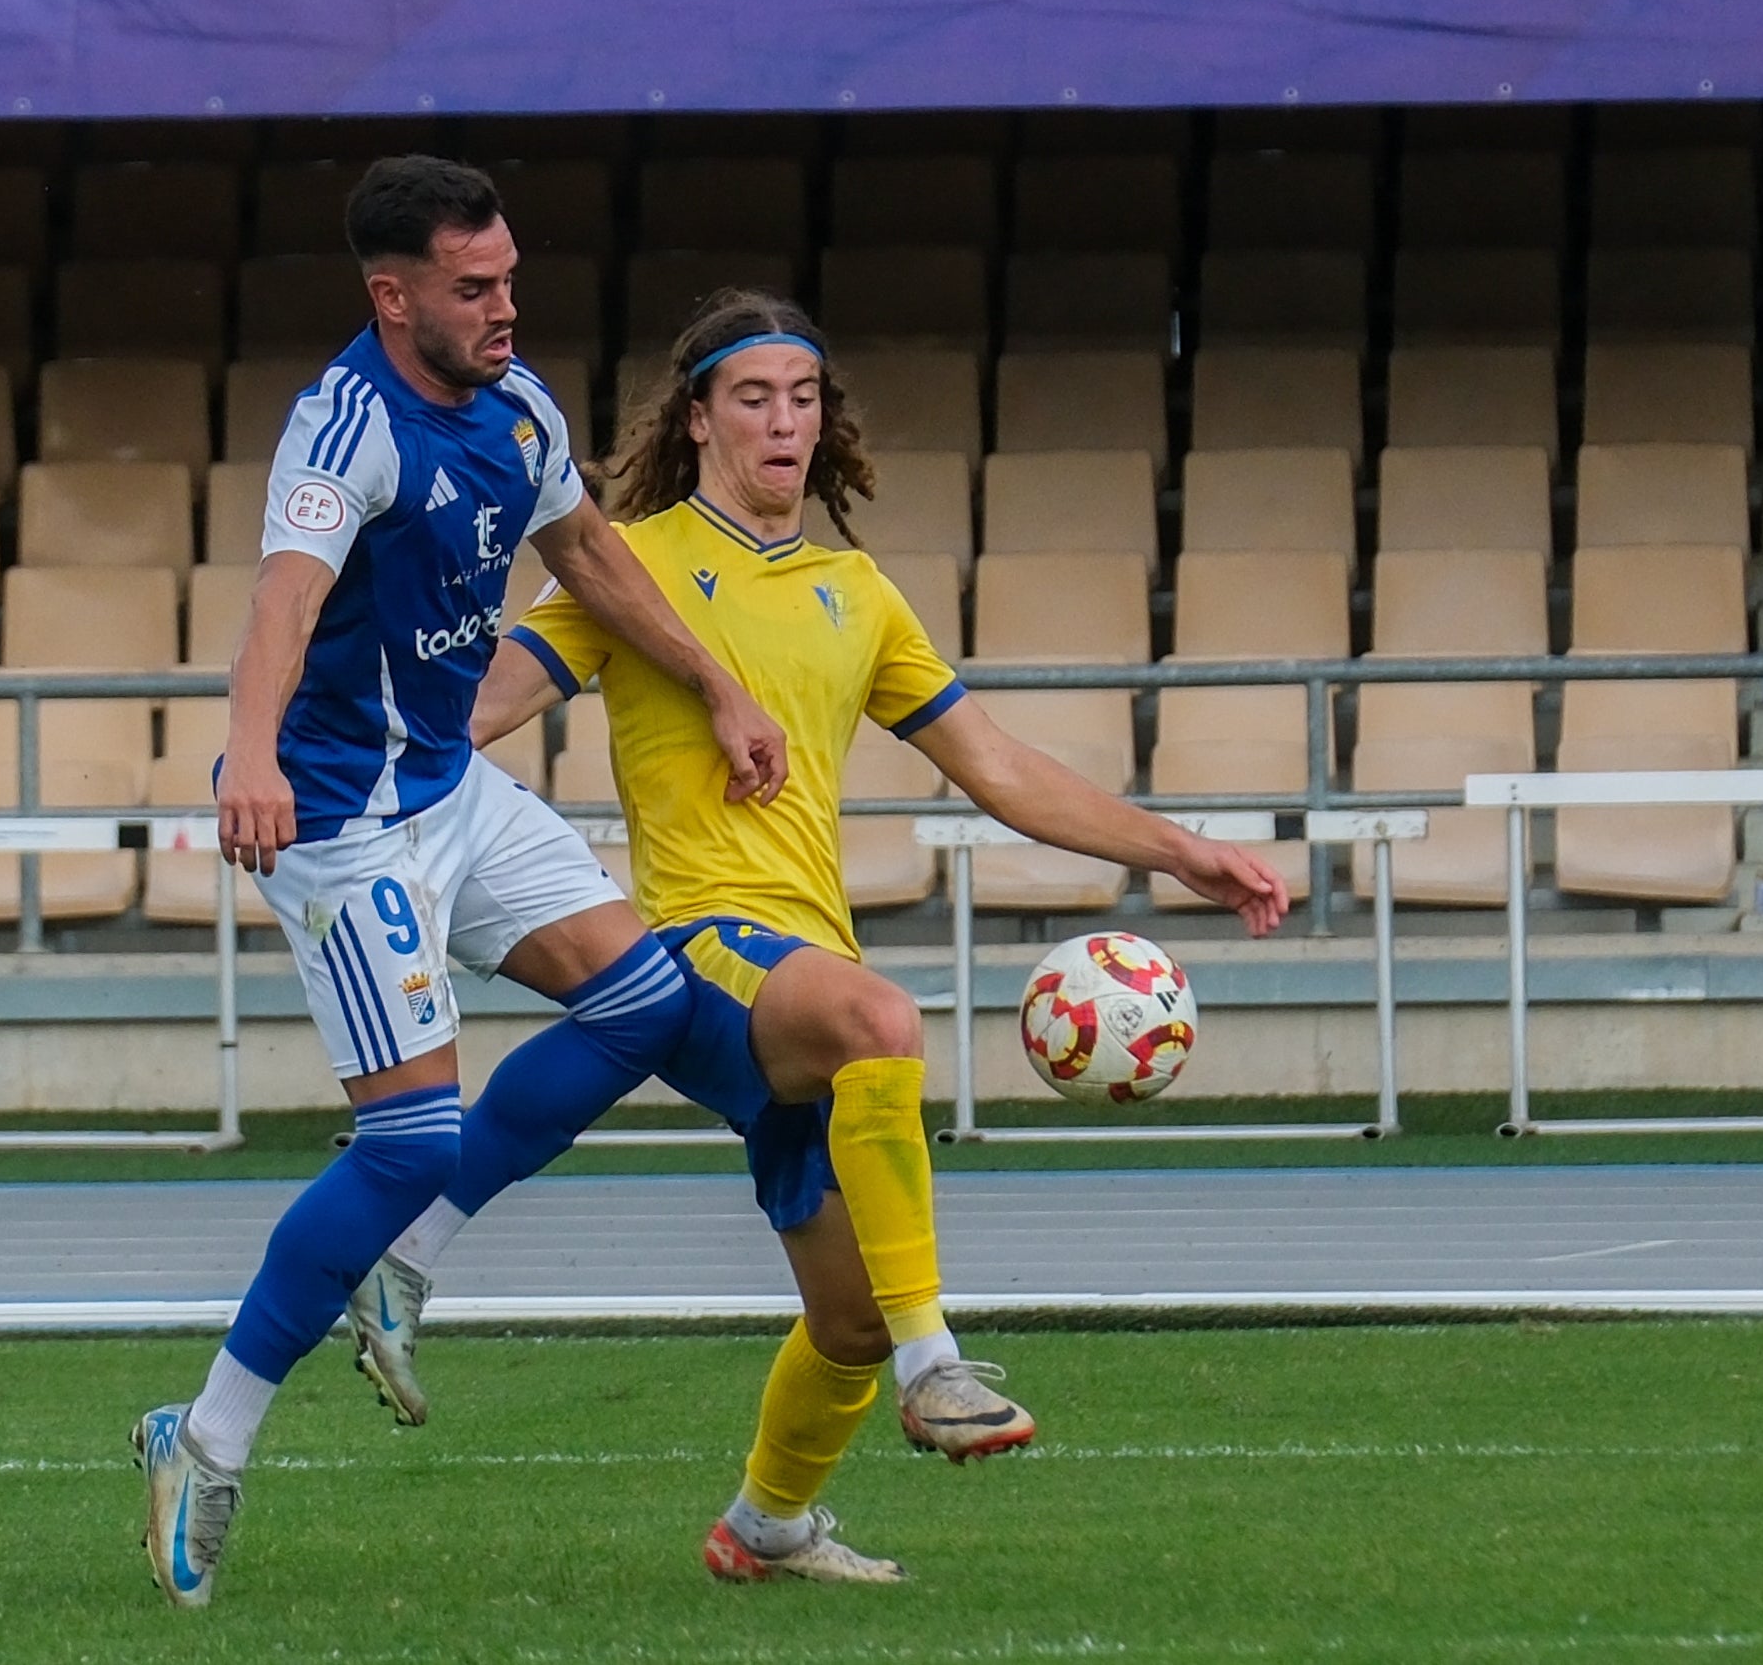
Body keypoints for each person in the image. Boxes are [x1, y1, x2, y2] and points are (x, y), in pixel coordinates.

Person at [342, 291, 1290, 1583]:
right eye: (752, 397)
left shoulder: (858, 592)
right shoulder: (627, 564)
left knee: (843, 1320)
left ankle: (766, 1526)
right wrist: (344, 781)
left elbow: (999, 768)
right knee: (880, 1019)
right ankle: (936, 1365)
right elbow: (468, 717)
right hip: (696, 945)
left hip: (798, 972)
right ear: (698, 418)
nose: (782, 421)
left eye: (801, 398)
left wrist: (1180, 850)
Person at [134, 158, 790, 1611]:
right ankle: (207, 1437)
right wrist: (250, 751)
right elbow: (282, 602)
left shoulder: (518, 406)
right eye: (473, 287)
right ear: (393, 296)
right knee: (408, 1139)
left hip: (450, 787)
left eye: (508, 280)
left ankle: (404, 1264)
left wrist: (717, 685)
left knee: (644, 1000)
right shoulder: (345, 426)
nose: (504, 307)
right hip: (342, 820)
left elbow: (590, 557)